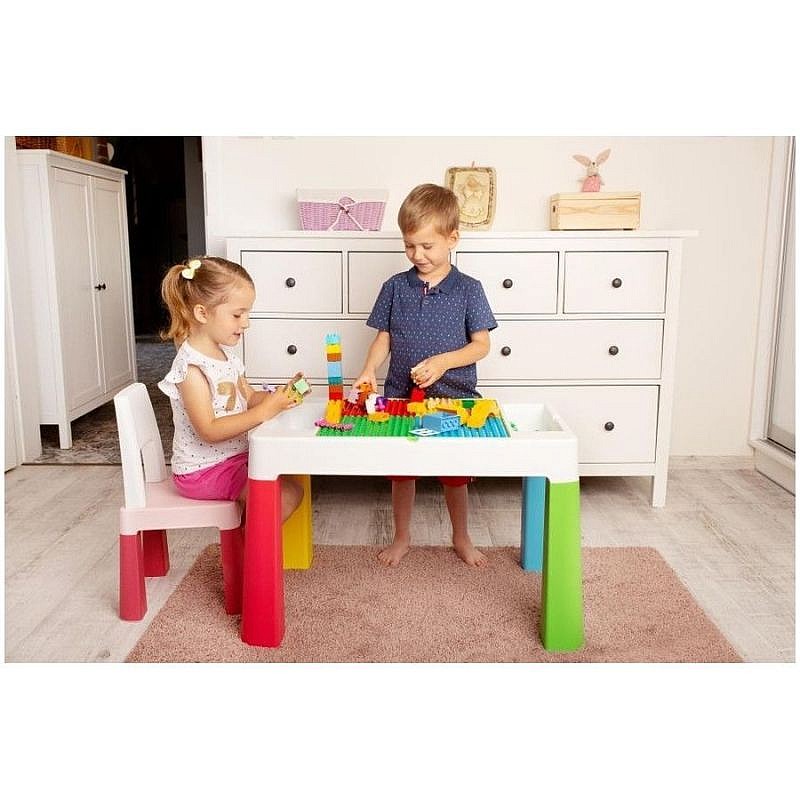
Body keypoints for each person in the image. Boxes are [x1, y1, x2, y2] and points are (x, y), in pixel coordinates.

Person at [353, 184, 497, 567]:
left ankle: (461, 537)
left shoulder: (469, 290)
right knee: (403, 473)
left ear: (453, 239)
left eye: (427, 246)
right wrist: (368, 369)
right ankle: (402, 537)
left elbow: (481, 345)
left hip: (453, 399)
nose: (418, 255)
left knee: (455, 476)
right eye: (409, 246)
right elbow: (383, 338)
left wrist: (444, 362)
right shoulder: (395, 287)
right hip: (402, 397)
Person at [158, 256, 303, 522]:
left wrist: (278, 397)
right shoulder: (191, 368)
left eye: (247, 314)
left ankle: (249, 542)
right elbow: (209, 430)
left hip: (232, 460)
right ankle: (250, 549)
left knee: (291, 479)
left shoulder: (226, 358)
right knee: (283, 495)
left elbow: (250, 397)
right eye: (237, 315)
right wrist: (265, 412)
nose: (246, 323)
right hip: (202, 470)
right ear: (202, 313)